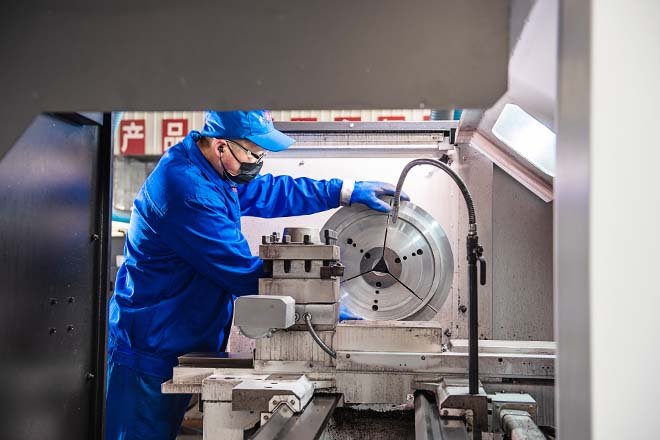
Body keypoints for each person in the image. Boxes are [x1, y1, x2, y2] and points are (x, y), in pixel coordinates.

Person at [106, 110, 407, 439]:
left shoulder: (213, 169)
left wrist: (343, 191)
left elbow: (270, 192)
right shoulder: (188, 192)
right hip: (147, 351)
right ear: (221, 145)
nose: (258, 162)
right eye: (253, 153)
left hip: (178, 338)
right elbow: (243, 274)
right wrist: (327, 305)